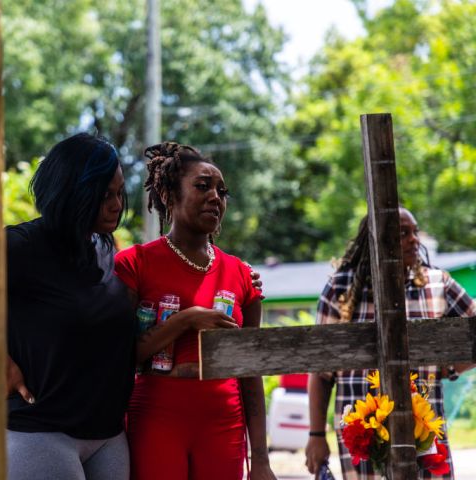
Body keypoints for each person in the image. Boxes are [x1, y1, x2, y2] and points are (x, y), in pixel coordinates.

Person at [114, 142, 276, 480]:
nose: (216, 196)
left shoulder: (243, 276)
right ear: (168, 193)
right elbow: (120, 356)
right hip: (155, 419)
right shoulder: (134, 263)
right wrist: (187, 319)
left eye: (221, 191)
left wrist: (260, 459)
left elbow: (251, 372)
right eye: (202, 186)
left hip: (224, 423)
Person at [305, 207, 476, 480]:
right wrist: (316, 435)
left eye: (415, 232)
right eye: (403, 233)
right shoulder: (341, 287)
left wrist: (450, 369)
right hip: (362, 438)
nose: (414, 240)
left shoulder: (437, 284)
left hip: (425, 434)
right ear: (376, 238)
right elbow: (321, 372)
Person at [5, 133, 135, 480]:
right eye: (105, 194)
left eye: (120, 192)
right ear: (73, 191)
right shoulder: (18, 247)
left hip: (108, 436)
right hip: (42, 433)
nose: (117, 204)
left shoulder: (104, 249)